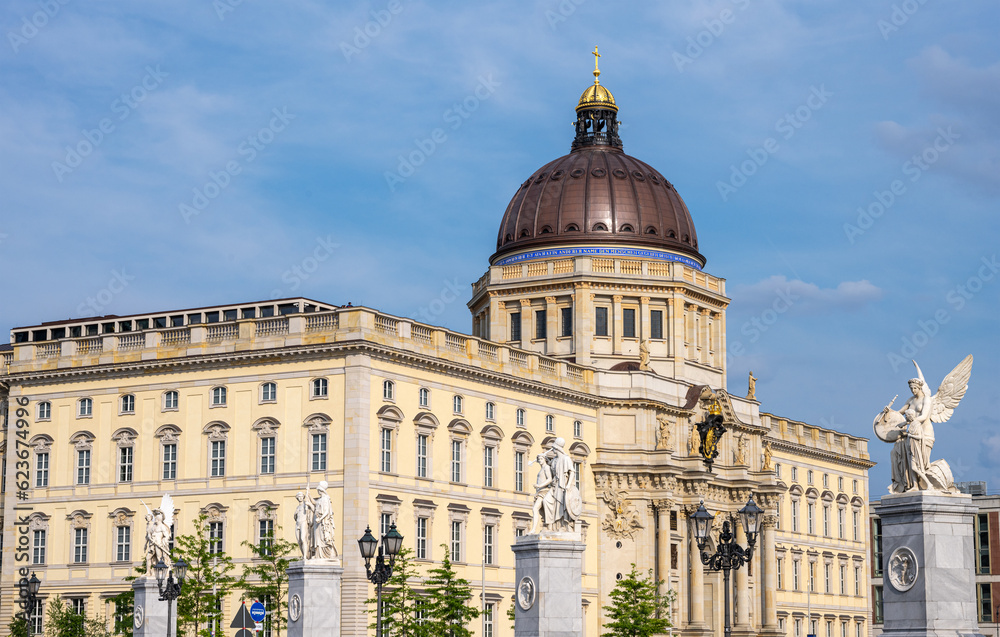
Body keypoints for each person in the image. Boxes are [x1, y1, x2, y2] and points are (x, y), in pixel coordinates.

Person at [310, 481, 338, 559]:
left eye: (318, 490)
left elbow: (326, 511)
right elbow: (314, 503)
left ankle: (326, 554)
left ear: (321, 490)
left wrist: (320, 519)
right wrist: (308, 495)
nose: (318, 491)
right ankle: (318, 554)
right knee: (317, 538)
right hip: (317, 521)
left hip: (322, 522)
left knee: (323, 538)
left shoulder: (325, 499)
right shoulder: (320, 499)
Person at [528, 454, 555, 534]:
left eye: (541, 458)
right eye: (538, 459)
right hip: (539, 492)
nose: (539, 460)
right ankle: (547, 526)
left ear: (545, 459)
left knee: (535, 509)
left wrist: (540, 485)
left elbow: (550, 479)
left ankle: (533, 530)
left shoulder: (546, 467)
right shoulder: (542, 468)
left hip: (544, 491)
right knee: (542, 512)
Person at [293, 491, 314, 559]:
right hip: (298, 523)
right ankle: (304, 554)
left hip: (303, 522)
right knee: (299, 541)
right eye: (298, 496)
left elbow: (313, 509)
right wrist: (295, 514)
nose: (300, 497)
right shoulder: (297, 507)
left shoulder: (306, 504)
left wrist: (309, 504)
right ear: (297, 498)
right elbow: (295, 518)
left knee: (303, 539)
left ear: (303, 497)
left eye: (301, 496)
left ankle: (305, 556)